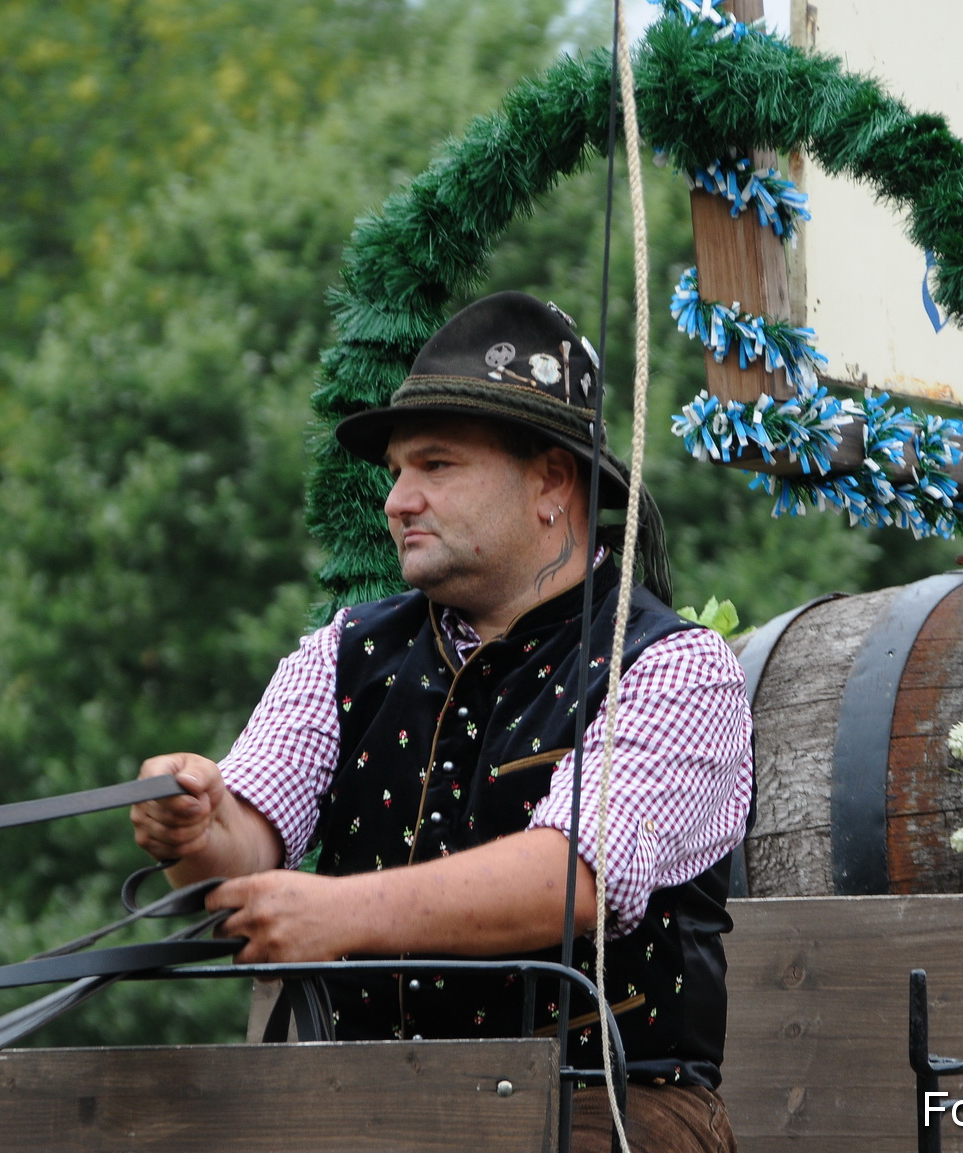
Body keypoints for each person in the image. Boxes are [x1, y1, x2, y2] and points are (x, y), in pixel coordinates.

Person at [130, 291, 752, 1153]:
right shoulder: (342, 652)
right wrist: (193, 823)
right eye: (396, 471)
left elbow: (573, 876)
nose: (397, 499)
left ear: (551, 481)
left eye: (435, 464)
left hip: (599, 1109)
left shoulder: (675, 666)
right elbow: (243, 851)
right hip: (358, 1111)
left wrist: (338, 911)